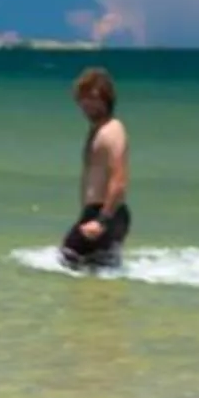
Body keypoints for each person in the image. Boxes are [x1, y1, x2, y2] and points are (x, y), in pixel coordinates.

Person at [63, 67, 130, 266]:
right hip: (97, 213)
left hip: (105, 214)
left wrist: (101, 221)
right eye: (83, 98)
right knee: (93, 274)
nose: (86, 104)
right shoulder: (97, 130)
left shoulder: (112, 130)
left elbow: (119, 180)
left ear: (106, 99)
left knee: (68, 260)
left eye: (93, 98)